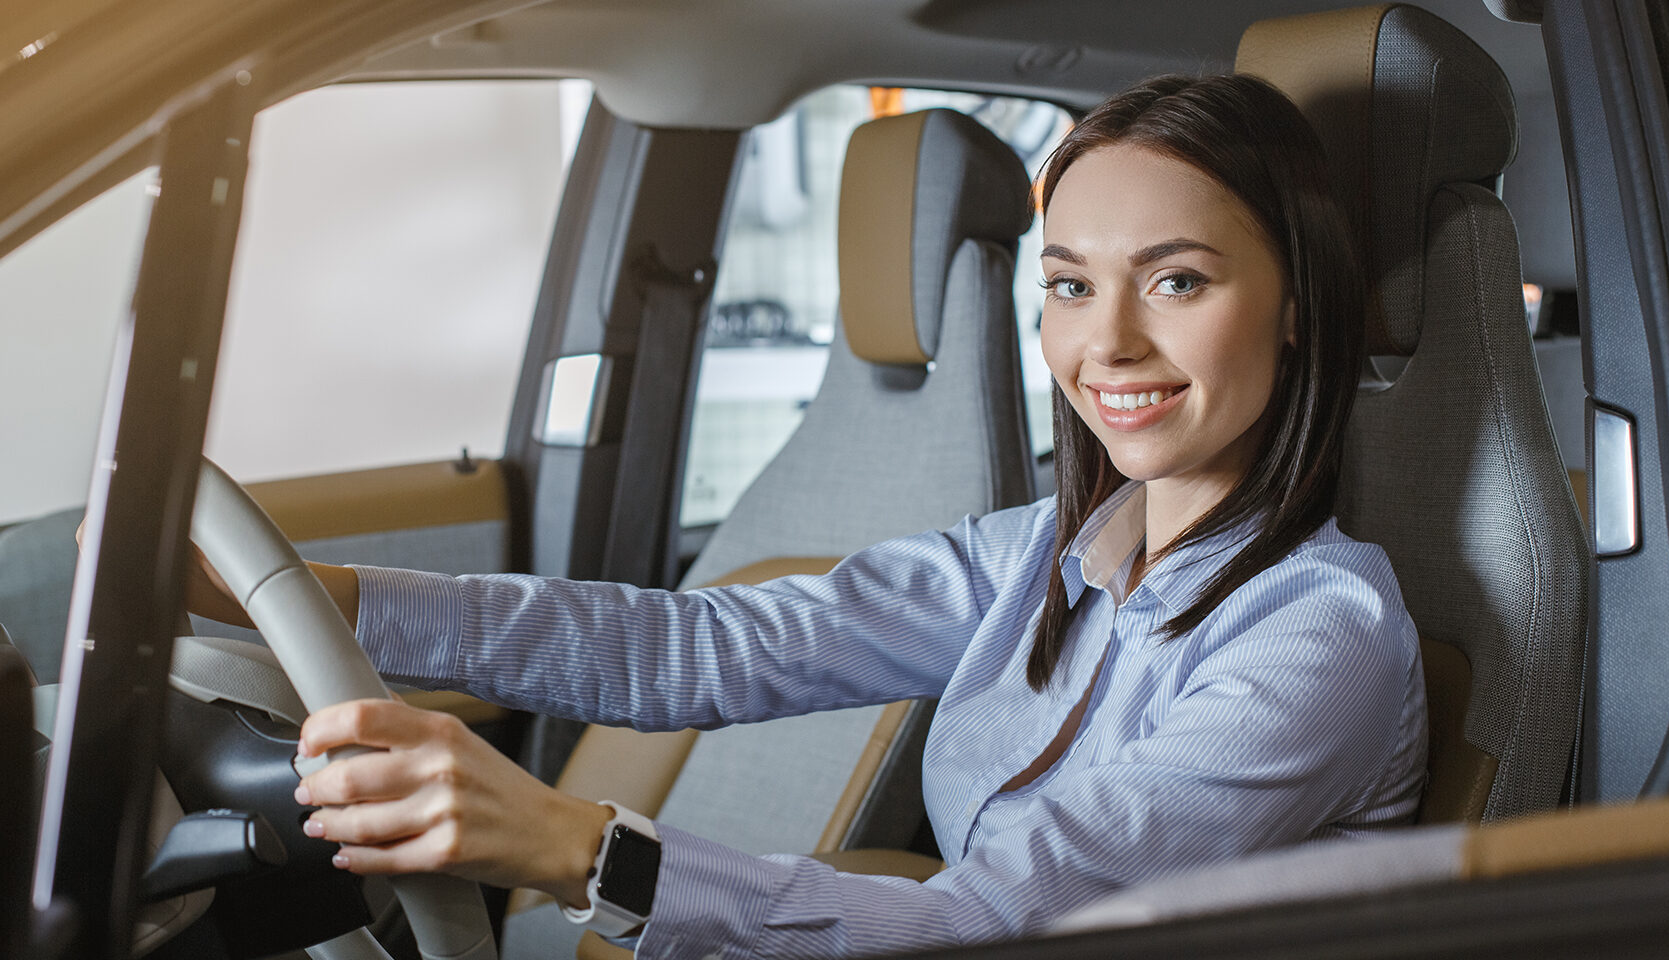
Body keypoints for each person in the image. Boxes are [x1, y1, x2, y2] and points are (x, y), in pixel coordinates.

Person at [200, 74, 1426, 957]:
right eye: (1067, 284)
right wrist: (314, 600)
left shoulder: (1321, 638)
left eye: (1177, 279)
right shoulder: (1035, 556)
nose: (1104, 341)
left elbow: (993, 922)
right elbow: (711, 645)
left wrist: (581, 848)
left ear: (1296, 306)